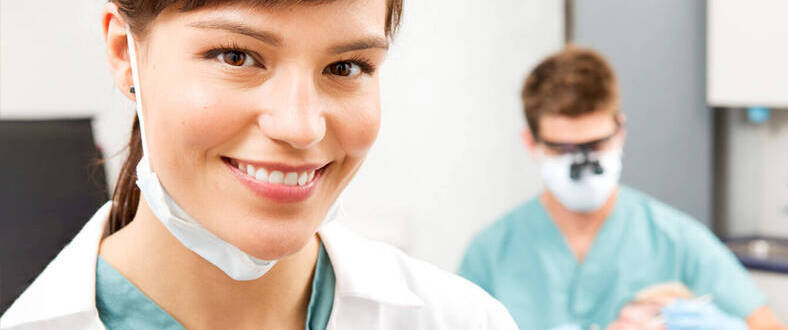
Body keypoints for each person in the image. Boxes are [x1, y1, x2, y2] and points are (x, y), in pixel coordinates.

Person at [0, 1, 517, 329]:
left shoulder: (463, 320)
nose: (300, 126)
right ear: (123, 53)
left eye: (346, 66)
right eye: (236, 56)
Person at [458, 46, 785, 330]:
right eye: (564, 150)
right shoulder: (490, 255)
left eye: (595, 145)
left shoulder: (677, 240)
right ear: (531, 143)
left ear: (620, 133)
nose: (583, 165)